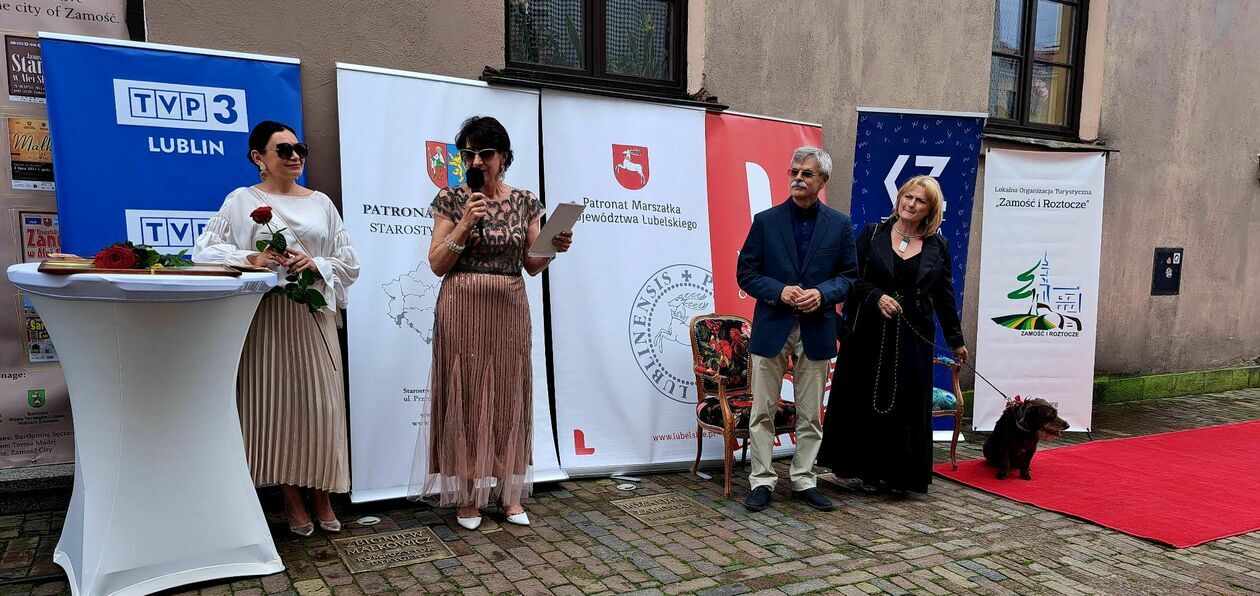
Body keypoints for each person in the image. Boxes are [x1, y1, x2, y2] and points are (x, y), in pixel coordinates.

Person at [193, 120, 360, 536]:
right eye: (283, 150)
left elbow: (349, 261)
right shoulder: (241, 200)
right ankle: (290, 496)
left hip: (313, 314)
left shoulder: (321, 203)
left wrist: (316, 263)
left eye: (299, 148)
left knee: (321, 408)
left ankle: (322, 493)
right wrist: (252, 258)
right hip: (267, 317)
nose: (295, 156)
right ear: (259, 157)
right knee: (277, 405)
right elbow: (204, 251)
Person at [410, 116, 573, 530]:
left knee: (508, 392)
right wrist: (466, 222)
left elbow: (532, 265)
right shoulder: (451, 199)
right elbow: (436, 263)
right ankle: (467, 497)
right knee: (465, 393)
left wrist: (554, 246)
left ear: (503, 156)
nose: (477, 161)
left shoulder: (526, 202)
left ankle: (508, 493)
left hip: (509, 306)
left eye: (485, 153)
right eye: (469, 154)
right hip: (462, 305)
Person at [818, 175, 968, 495]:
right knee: (863, 399)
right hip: (867, 333)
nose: (911, 204)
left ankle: (900, 476)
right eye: (907, 197)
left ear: (931, 209)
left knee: (905, 404)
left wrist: (956, 341)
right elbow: (848, 278)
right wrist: (875, 296)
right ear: (899, 199)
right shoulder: (872, 234)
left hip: (913, 338)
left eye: (920, 200)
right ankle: (862, 471)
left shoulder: (938, 247)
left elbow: (944, 297)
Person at [735, 146, 857, 512]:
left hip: (817, 330)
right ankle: (761, 481)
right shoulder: (766, 221)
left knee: (810, 413)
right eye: (794, 172)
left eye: (807, 173)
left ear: (823, 180)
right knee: (762, 410)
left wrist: (822, 294)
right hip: (772, 325)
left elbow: (849, 278)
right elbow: (746, 273)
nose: (798, 179)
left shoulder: (839, 225)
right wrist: (779, 291)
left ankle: (804, 479)